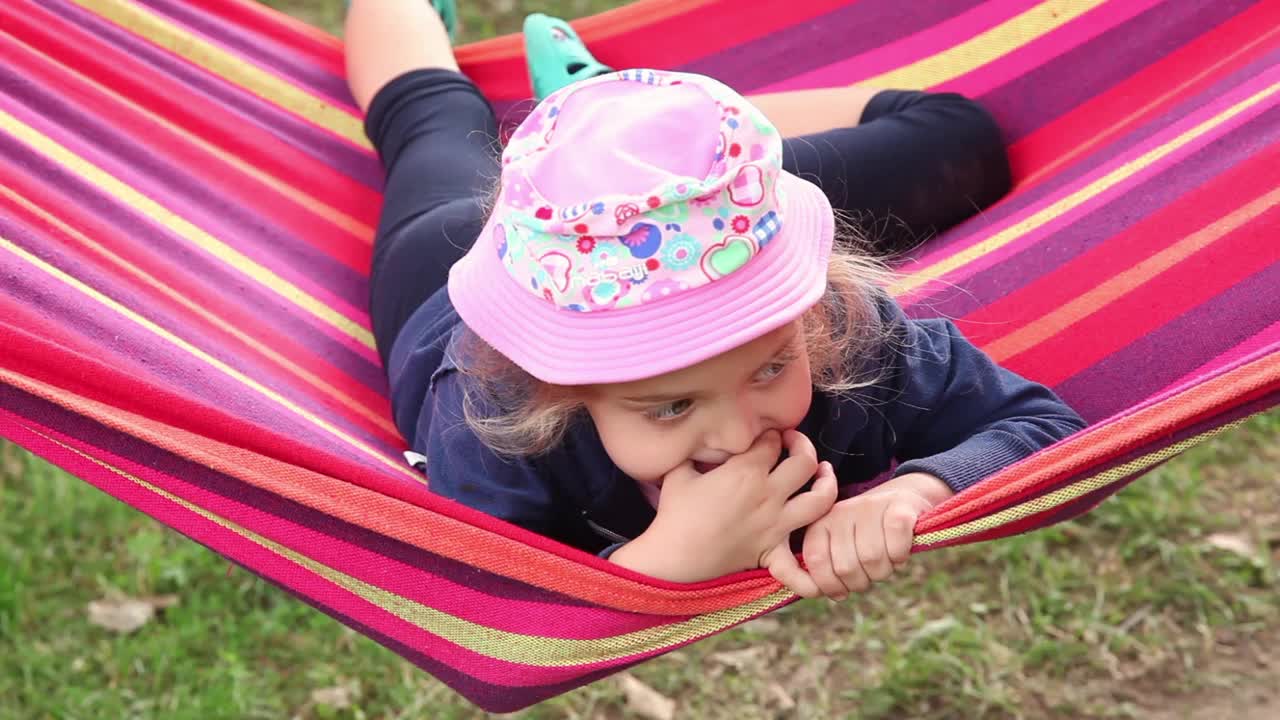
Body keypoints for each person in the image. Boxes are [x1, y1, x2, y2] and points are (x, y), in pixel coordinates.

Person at [344, 0, 1087, 600]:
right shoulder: (495, 424)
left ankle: (646, 132)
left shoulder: (835, 331)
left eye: (769, 369)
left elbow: (1047, 429)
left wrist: (918, 490)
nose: (736, 434)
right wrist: (657, 566)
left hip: (696, 229)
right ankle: (576, 108)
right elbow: (492, 630)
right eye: (670, 405)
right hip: (439, 263)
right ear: (560, 391)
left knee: (955, 140)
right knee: (432, 116)